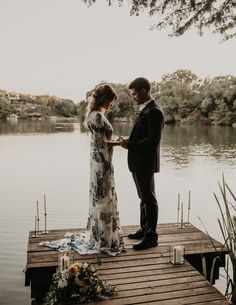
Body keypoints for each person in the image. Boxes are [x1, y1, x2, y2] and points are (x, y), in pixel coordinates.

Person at [40, 84, 125, 256]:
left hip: (96, 163)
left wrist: (115, 141)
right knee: (105, 199)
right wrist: (121, 143)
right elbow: (102, 144)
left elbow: (97, 142)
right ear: (105, 99)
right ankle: (104, 239)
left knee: (99, 199)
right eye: (111, 101)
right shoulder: (99, 116)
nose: (111, 105)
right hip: (102, 165)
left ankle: (100, 235)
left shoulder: (92, 115)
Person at [120, 77, 164, 250]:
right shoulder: (146, 109)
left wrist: (129, 145)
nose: (133, 96)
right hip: (138, 162)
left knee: (149, 198)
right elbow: (142, 136)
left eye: (135, 93)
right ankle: (144, 228)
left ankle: (151, 236)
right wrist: (128, 140)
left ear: (144, 91)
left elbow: (152, 141)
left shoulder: (154, 111)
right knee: (143, 198)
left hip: (145, 162)